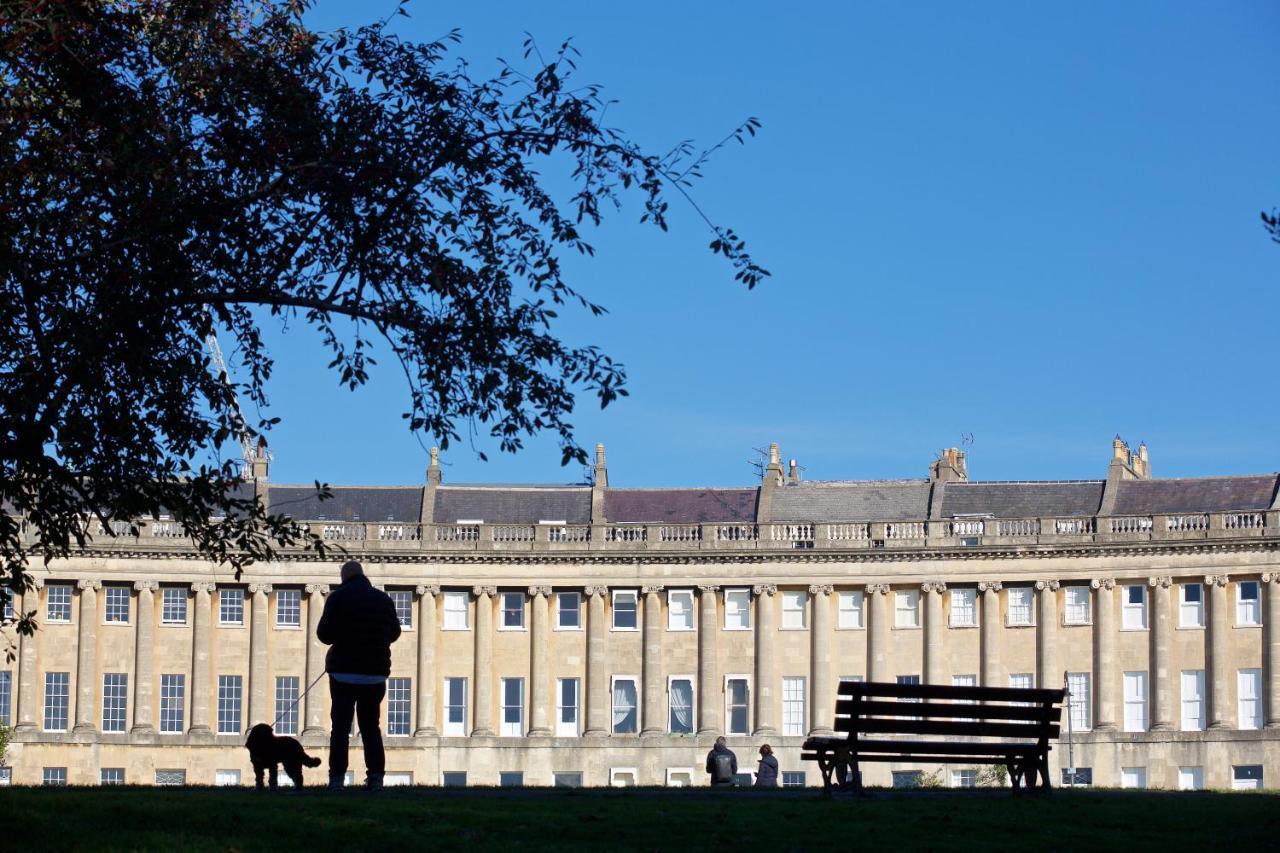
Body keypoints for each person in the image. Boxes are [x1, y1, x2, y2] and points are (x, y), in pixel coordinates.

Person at [316, 560, 402, 791]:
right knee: (371, 726)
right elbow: (394, 632)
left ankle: (337, 779)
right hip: (374, 674)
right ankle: (375, 777)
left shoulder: (337, 598)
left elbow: (324, 634)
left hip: (343, 672)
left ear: (344, 577)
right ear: (363, 576)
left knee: (341, 728)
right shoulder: (383, 599)